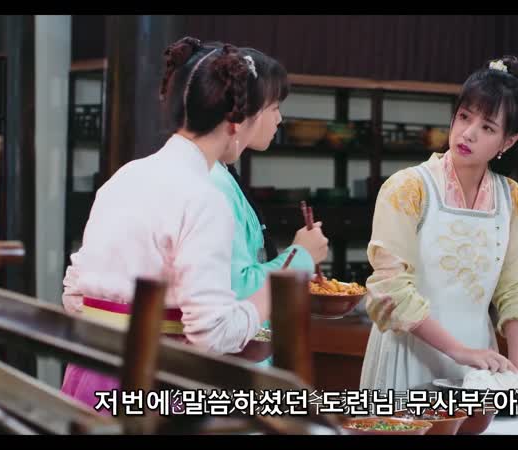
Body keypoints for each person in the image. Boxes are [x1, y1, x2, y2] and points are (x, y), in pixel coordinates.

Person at [60, 37, 279, 410]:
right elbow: (211, 332)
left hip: (93, 370)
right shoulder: (203, 196)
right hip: (157, 383)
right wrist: (272, 292)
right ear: (236, 120)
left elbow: (74, 294)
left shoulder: (126, 176)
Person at [359, 56, 518, 391]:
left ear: (508, 142)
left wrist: (517, 367)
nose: (468, 133)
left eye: (487, 128)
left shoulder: (512, 200)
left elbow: (516, 287)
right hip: (408, 355)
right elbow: (390, 289)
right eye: (464, 117)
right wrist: (458, 351)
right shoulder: (408, 188)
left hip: (480, 367)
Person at [208, 48, 329, 367]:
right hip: (231, 361)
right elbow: (238, 288)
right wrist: (301, 255)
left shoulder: (221, 173)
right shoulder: (214, 183)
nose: (279, 119)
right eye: (274, 107)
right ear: (244, 111)